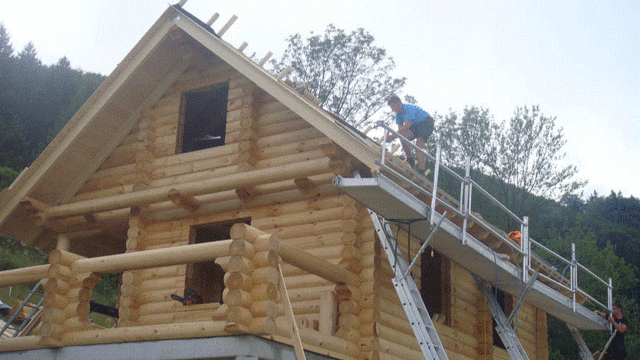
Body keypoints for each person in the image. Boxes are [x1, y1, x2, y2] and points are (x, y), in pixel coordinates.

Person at [385, 95, 435, 175]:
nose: (393, 110)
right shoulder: (398, 115)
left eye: (393, 107)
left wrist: (392, 136)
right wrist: (391, 138)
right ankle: (410, 159)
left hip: (426, 122)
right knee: (402, 137)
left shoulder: (408, 109)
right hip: (415, 125)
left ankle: (421, 170)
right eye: (391, 108)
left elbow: (407, 126)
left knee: (419, 145)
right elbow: (401, 131)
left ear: (398, 103)